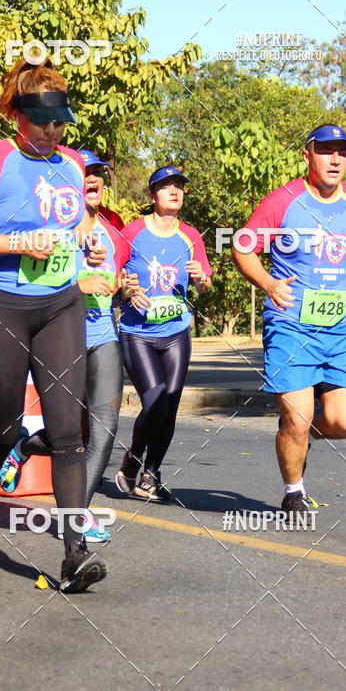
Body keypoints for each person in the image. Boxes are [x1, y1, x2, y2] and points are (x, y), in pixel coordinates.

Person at [0, 58, 107, 592]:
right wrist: (15, 243)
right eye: (43, 122)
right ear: (15, 114)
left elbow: (71, 219)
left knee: (66, 431)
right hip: (0, 305)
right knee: (5, 427)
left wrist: (86, 235)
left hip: (60, 303)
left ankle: (75, 554)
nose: (53, 132)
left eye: (61, 122)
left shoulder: (72, 165)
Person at [232, 124, 346, 523]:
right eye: (326, 151)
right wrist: (266, 283)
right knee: (297, 416)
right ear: (308, 156)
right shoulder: (283, 201)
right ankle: (293, 491)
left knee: (345, 423)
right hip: (291, 326)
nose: (336, 159)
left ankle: (296, 437)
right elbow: (242, 245)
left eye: (342, 152)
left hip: (342, 330)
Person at [0, 149, 135, 544]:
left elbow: (116, 279)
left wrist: (125, 287)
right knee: (67, 431)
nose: (93, 180)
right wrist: (78, 286)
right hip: (60, 335)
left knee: (104, 428)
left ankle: (76, 517)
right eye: (85, 173)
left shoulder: (113, 233)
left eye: (98, 175)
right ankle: (23, 446)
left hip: (102, 333)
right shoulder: (51, 228)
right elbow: (35, 289)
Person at [115, 166, 212, 501]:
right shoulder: (131, 233)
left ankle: (150, 474)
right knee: (155, 401)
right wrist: (127, 291)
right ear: (152, 195)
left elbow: (205, 281)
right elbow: (113, 278)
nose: (175, 191)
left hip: (176, 332)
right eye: (166, 186)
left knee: (170, 404)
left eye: (180, 187)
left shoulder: (191, 236)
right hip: (137, 332)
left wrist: (201, 277)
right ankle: (132, 459)